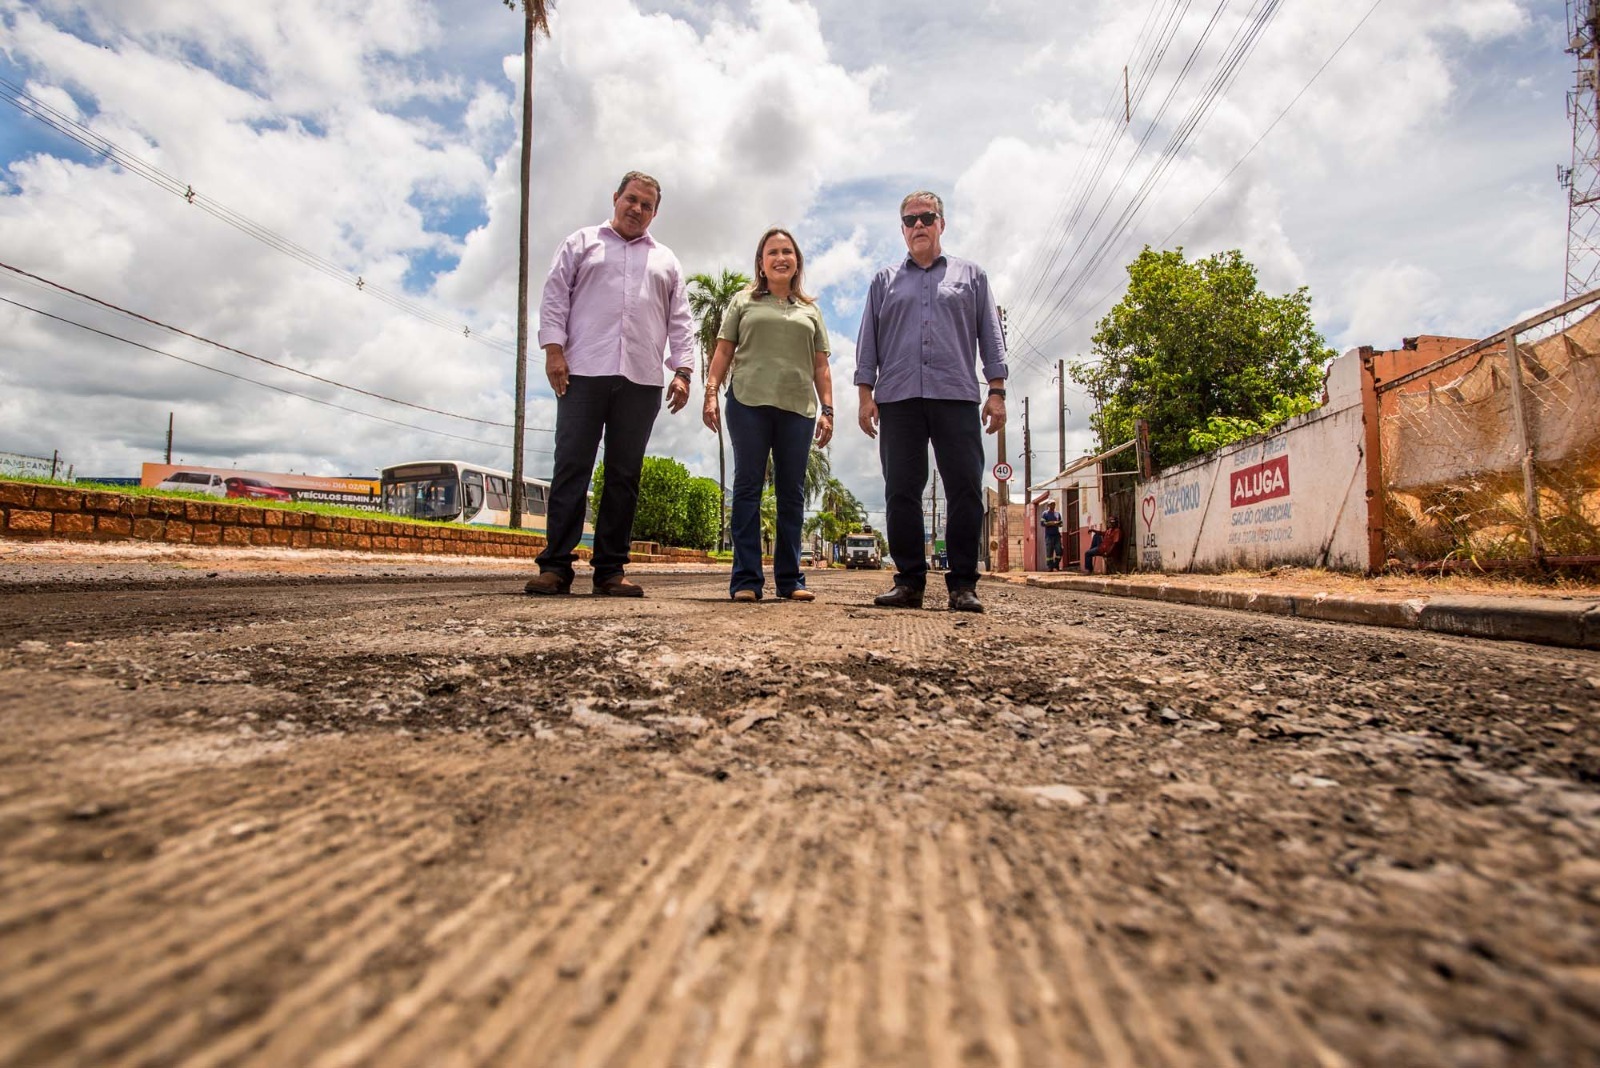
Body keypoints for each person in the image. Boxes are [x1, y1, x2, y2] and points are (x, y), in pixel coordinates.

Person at [523, 171, 694, 598]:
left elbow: (681, 320)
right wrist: (553, 350)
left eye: (647, 205)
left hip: (641, 379)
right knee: (572, 467)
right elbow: (555, 295)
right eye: (631, 200)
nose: (637, 209)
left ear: (656, 212)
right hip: (582, 371)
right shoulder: (581, 243)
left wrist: (684, 372)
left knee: (623, 474)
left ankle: (610, 571)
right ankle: (556, 566)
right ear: (616, 197)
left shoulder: (666, 261)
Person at [855, 191, 1007, 613]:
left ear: (942, 223)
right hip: (898, 397)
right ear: (902, 228)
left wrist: (996, 392)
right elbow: (868, 342)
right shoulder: (883, 281)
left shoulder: (972, 276)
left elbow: (991, 337)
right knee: (901, 490)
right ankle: (909, 583)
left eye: (927, 217)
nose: (918, 225)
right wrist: (865, 395)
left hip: (955, 393)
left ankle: (962, 585)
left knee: (964, 488)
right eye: (910, 220)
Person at [703, 228, 833, 602]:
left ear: (797, 262)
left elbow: (821, 366)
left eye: (787, 252)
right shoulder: (743, 302)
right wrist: (711, 393)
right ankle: (746, 580)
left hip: (798, 409)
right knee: (747, 489)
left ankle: (791, 581)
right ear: (761, 262)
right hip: (747, 404)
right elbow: (723, 351)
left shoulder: (810, 309)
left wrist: (828, 411)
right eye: (772, 252)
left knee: (791, 494)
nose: (780, 258)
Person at [1040, 498, 1063, 570]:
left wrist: (1058, 523)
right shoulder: (1045, 514)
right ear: (1048, 505)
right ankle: (1050, 567)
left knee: (1059, 550)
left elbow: (1061, 523)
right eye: (1051, 504)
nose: (1053, 505)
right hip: (1049, 536)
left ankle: (1056, 564)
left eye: (1054, 504)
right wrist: (1052, 523)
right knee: (1049, 552)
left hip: (1057, 535)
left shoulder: (1057, 514)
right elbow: (1042, 523)